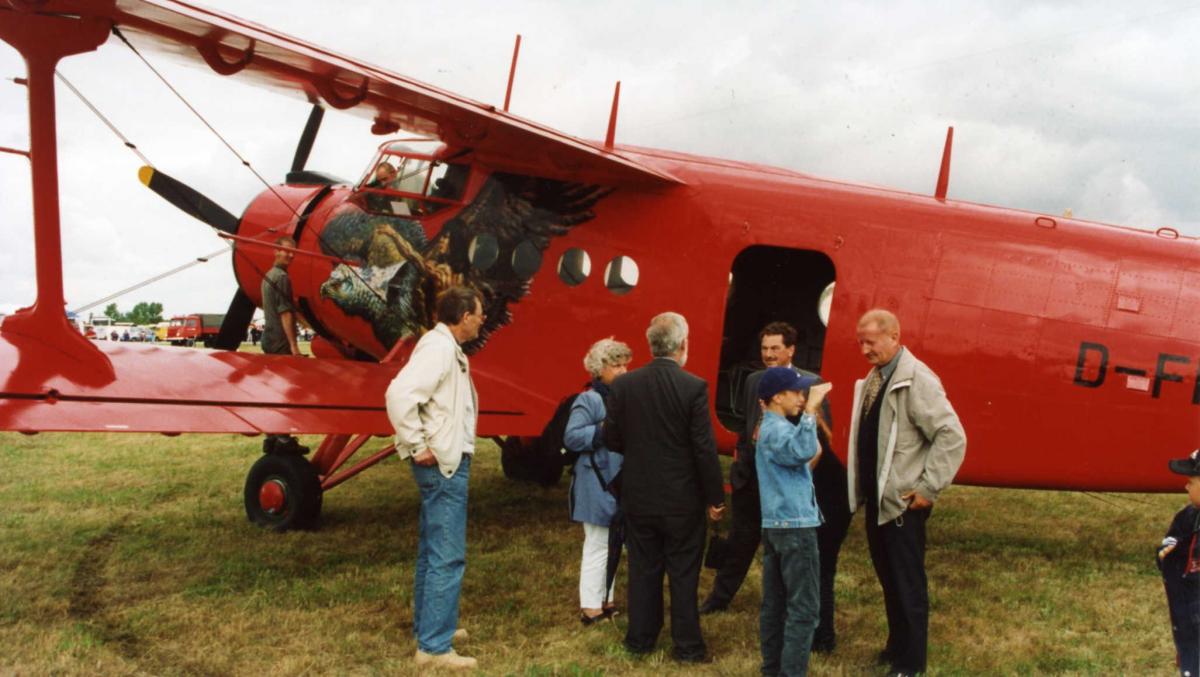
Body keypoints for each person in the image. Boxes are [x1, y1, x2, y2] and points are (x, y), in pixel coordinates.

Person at [702, 322, 851, 654]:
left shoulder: (808, 385)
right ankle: (718, 598)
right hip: (752, 479)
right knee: (741, 540)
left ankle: (811, 634)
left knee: (790, 565)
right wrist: (741, 466)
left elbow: (819, 442)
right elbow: (745, 428)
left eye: (775, 348)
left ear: (791, 350)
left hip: (786, 486)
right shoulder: (754, 381)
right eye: (764, 348)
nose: (768, 354)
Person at [848, 309, 966, 677]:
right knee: (889, 580)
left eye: (872, 341)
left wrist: (929, 487)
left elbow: (952, 435)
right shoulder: (876, 376)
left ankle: (911, 663)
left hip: (902, 505)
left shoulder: (917, 379)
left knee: (908, 584)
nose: (865, 349)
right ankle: (896, 647)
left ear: (894, 336)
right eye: (861, 342)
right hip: (879, 503)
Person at [604, 312, 726, 662]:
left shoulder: (624, 385)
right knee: (684, 573)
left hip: (639, 494)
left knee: (643, 568)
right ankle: (687, 647)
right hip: (682, 499)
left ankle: (640, 639)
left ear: (650, 345)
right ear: (683, 345)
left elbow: (611, 437)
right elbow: (704, 449)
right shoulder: (693, 387)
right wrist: (715, 497)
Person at [385, 286, 485, 671]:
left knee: (433, 551)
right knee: (447, 554)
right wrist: (415, 443)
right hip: (444, 463)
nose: (482, 320)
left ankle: (431, 627)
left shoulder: (443, 348)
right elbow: (399, 394)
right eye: (479, 313)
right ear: (463, 316)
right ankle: (434, 648)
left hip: (443, 458)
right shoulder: (440, 349)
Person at [755, 367, 831, 677]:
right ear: (777, 396)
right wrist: (812, 411)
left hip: (775, 526)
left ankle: (772, 669)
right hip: (795, 527)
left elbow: (800, 458)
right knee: (804, 610)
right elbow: (803, 450)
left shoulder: (770, 428)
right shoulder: (779, 430)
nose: (801, 398)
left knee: (774, 606)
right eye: (796, 392)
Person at [564, 337, 633, 625]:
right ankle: (591, 607)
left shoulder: (623, 397)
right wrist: (603, 429)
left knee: (614, 541)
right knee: (597, 543)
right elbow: (571, 436)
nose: (622, 370)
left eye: (625, 364)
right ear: (599, 368)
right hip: (596, 480)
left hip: (617, 480)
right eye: (616, 365)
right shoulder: (589, 399)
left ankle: (606, 599)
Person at [260, 236, 308, 455]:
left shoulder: (268, 276)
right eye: (286, 251)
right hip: (280, 341)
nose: (290, 255)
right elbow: (285, 313)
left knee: (273, 389)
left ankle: (271, 438)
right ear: (275, 250)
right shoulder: (282, 278)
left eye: (292, 252)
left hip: (268, 338)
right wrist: (294, 346)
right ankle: (284, 439)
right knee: (286, 392)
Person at [1158, 449, 1200, 677]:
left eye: (1191, 481)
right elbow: (1168, 553)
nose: (1186, 487)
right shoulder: (1187, 518)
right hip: (1188, 626)